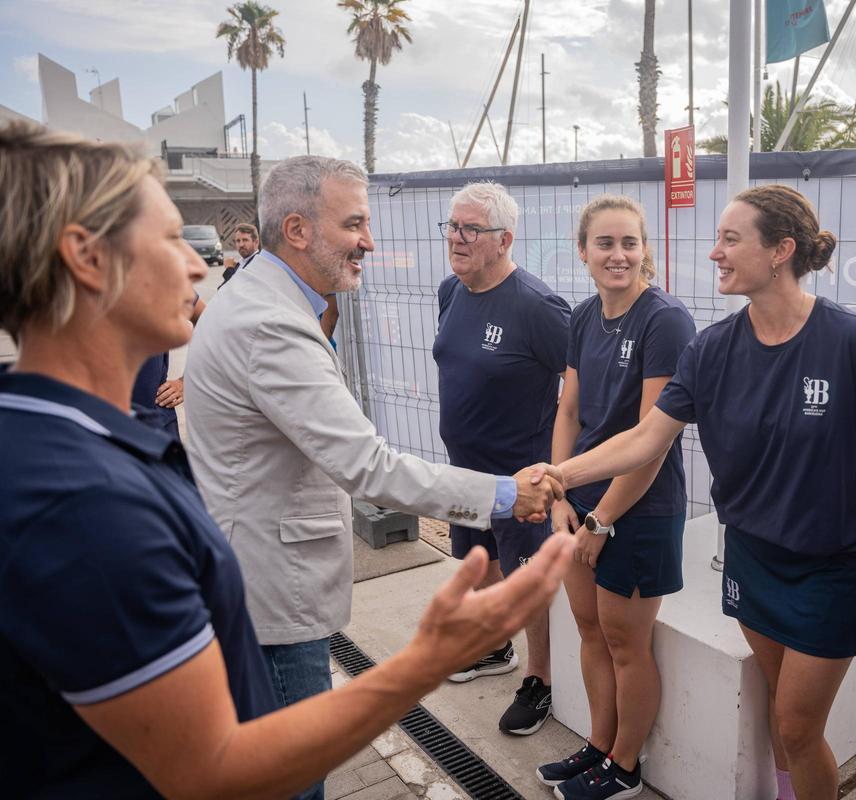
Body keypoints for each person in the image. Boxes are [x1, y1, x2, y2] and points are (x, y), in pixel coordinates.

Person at [0, 120, 573, 800]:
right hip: (273, 605)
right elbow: (216, 769)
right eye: (168, 239)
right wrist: (430, 655)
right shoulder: (85, 487)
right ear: (86, 258)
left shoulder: (72, 434)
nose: (195, 264)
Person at [183, 155, 563, 799]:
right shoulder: (270, 321)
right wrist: (505, 494)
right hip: (274, 601)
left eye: (472, 229)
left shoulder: (262, 299)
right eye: (354, 223)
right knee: (293, 780)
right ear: (298, 230)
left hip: (266, 583)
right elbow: (367, 465)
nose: (371, 240)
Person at [533, 185, 856, 800]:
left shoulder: (853, 341)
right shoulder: (712, 349)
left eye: (730, 240)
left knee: (797, 724)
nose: (714, 252)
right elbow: (644, 439)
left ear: (780, 252)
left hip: (831, 570)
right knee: (779, 716)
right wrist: (557, 478)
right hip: (750, 561)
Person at [535, 194, 696, 800]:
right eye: (605, 243)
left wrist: (601, 521)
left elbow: (651, 440)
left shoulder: (665, 320)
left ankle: (625, 766)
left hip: (639, 506)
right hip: (582, 503)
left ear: (645, 249)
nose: (619, 255)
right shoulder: (582, 317)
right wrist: (558, 493)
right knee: (589, 629)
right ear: (583, 252)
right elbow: (569, 410)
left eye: (630, 242)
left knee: (627, 643)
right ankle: (598, 747)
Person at [432, 181, 571, 735]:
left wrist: (559, 470)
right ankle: (495, 648)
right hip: (463, 472)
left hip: (521, 478)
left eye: (470, 229)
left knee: (526, 579)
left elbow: (579, 392)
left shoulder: (538, 308)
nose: (456, 238)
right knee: (480, 563)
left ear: (504, 239)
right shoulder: (451, 290)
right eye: (452, 226)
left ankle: (541, 679)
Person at [131, 292, 205, 439]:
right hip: (95, 421)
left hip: (155, 421)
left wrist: (186, 380)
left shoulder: (159, 280)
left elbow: (207, 318)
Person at [220, 221, 259, 287]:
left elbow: (238, 288)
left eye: (245, 240)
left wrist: (229, 268)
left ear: (256, 242)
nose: (241, 245)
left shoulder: (258, 262)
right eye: (238, 241)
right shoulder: (240, 263)